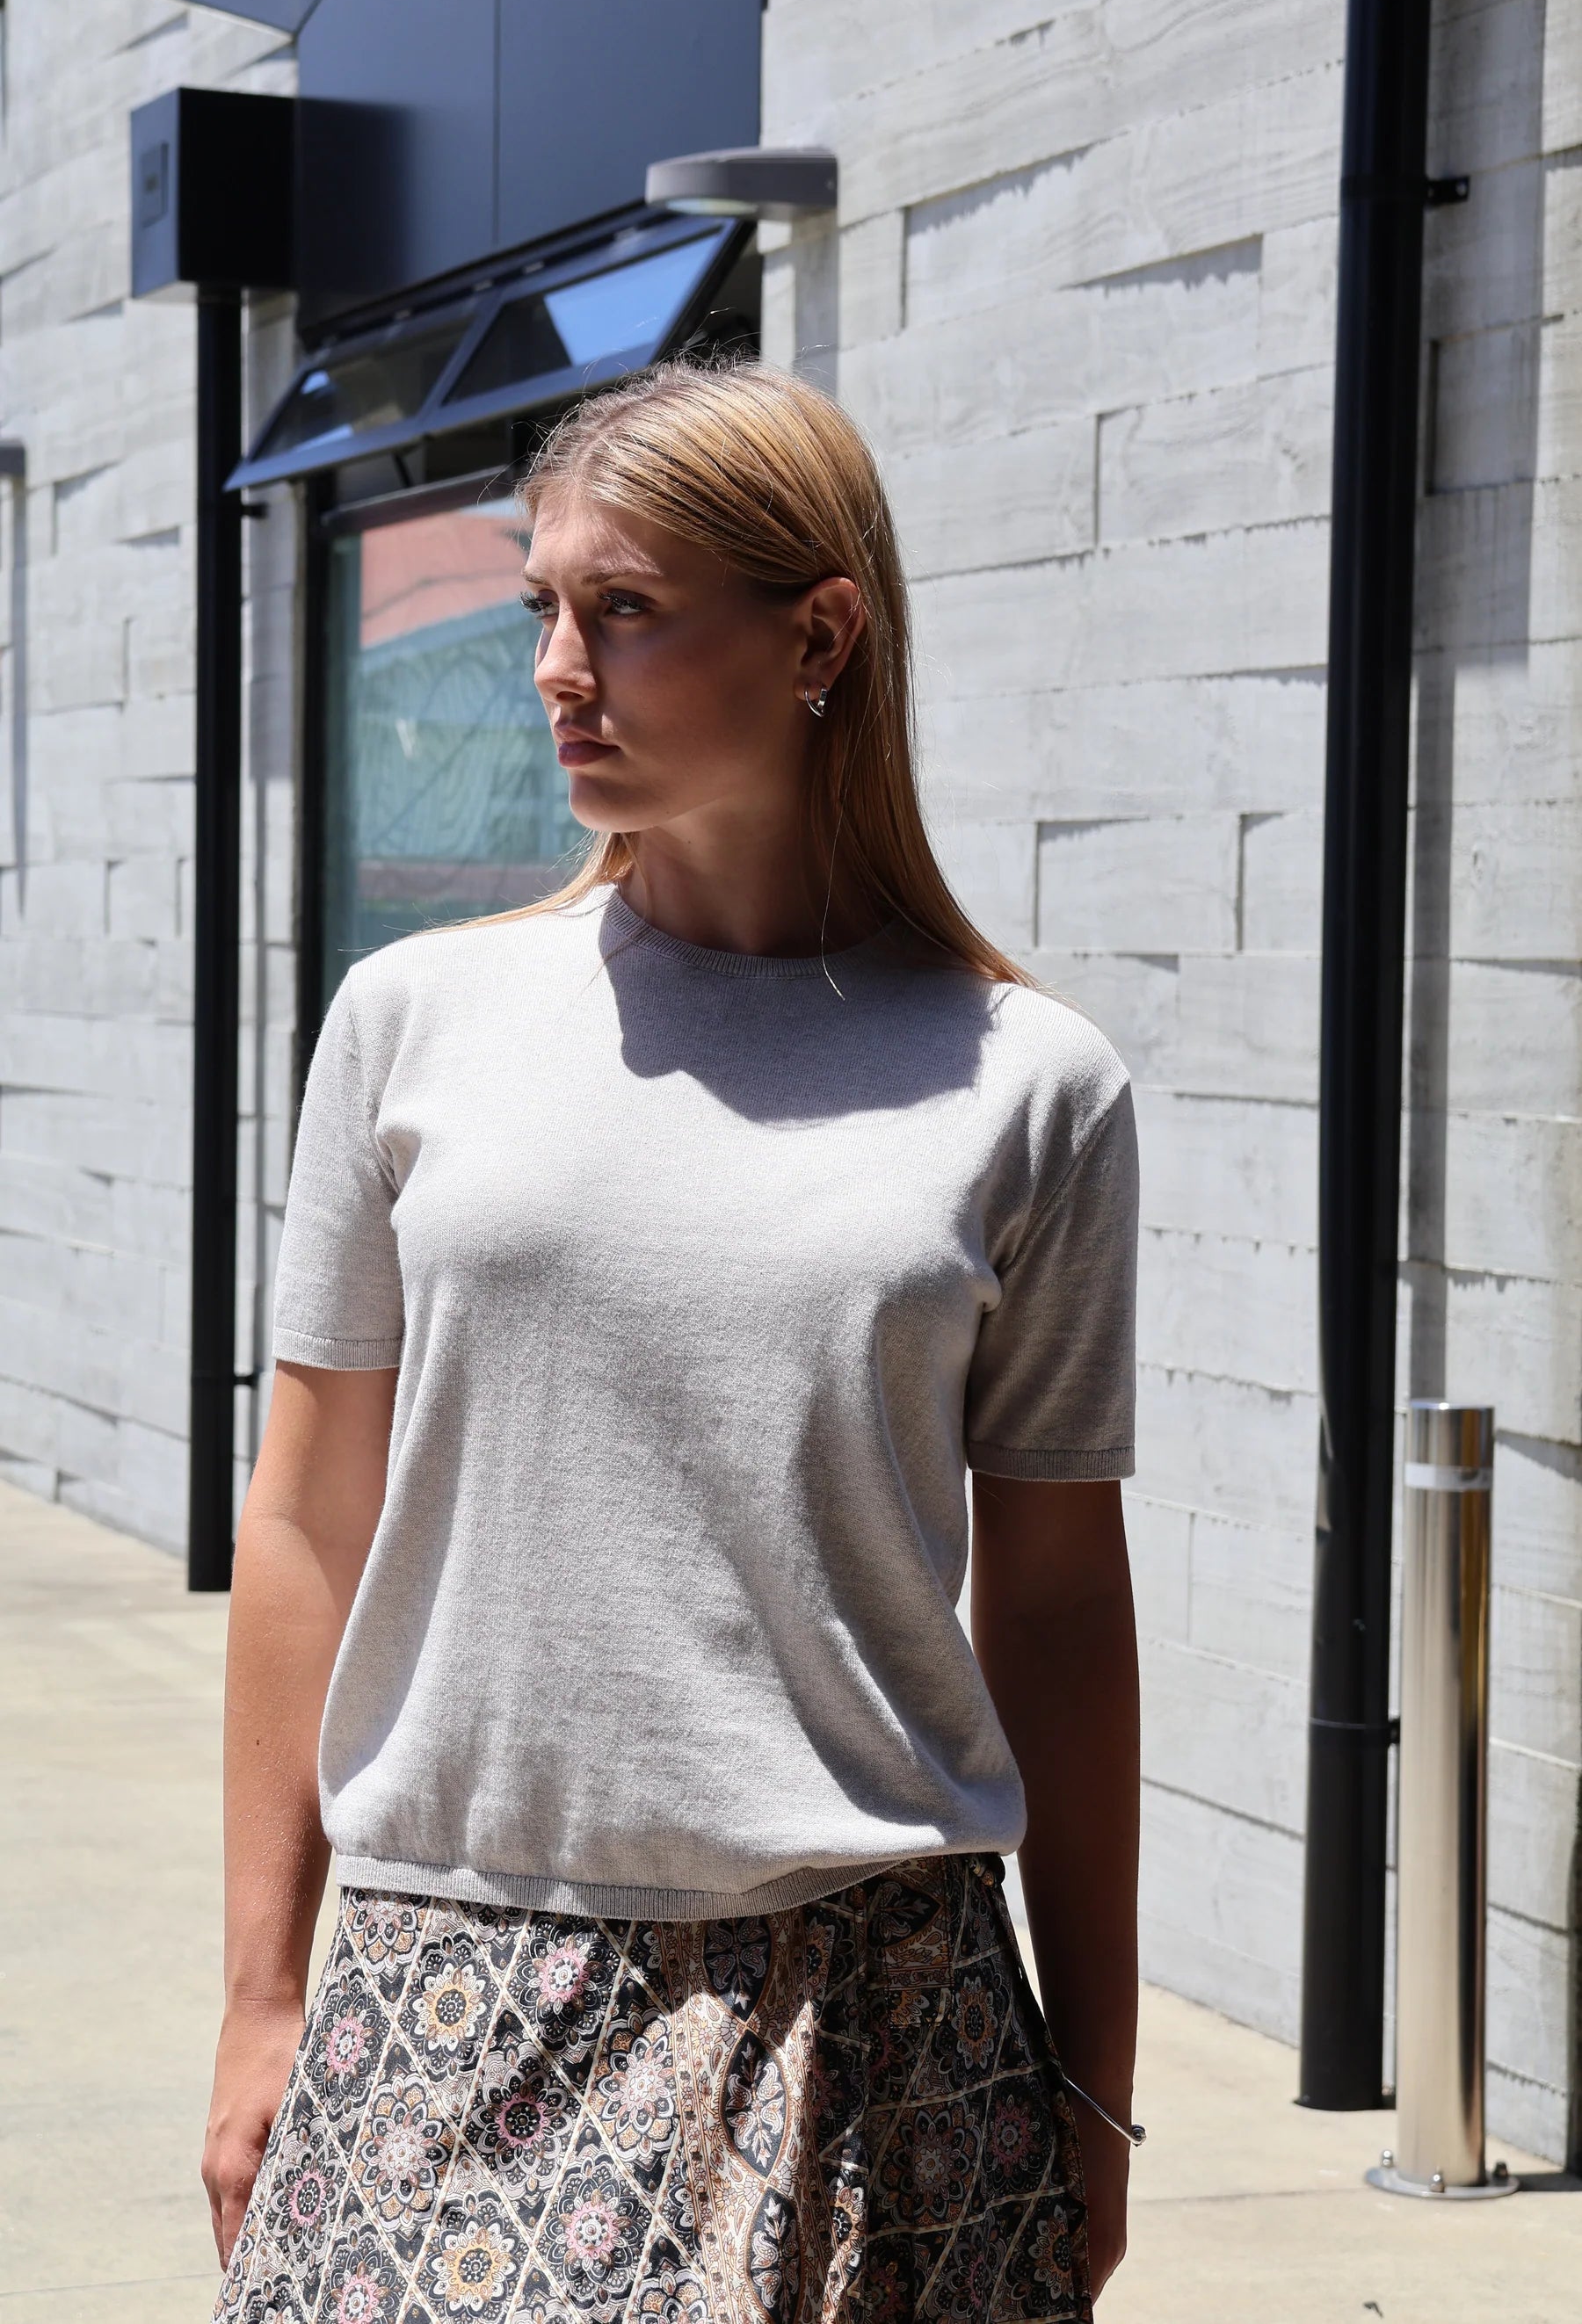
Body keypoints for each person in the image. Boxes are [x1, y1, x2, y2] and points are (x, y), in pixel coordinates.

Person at [203, 360, 1141, 2324]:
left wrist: (1094, 2080)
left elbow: (1059, 1594)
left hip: (880, 2017)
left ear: (819, 637)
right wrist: (262, 1993)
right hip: (443, 1995)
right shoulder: (413, 1023)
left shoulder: (1028, 1085)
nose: (557, 669)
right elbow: (304, 1515)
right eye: (543, 605)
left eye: (624, 609)